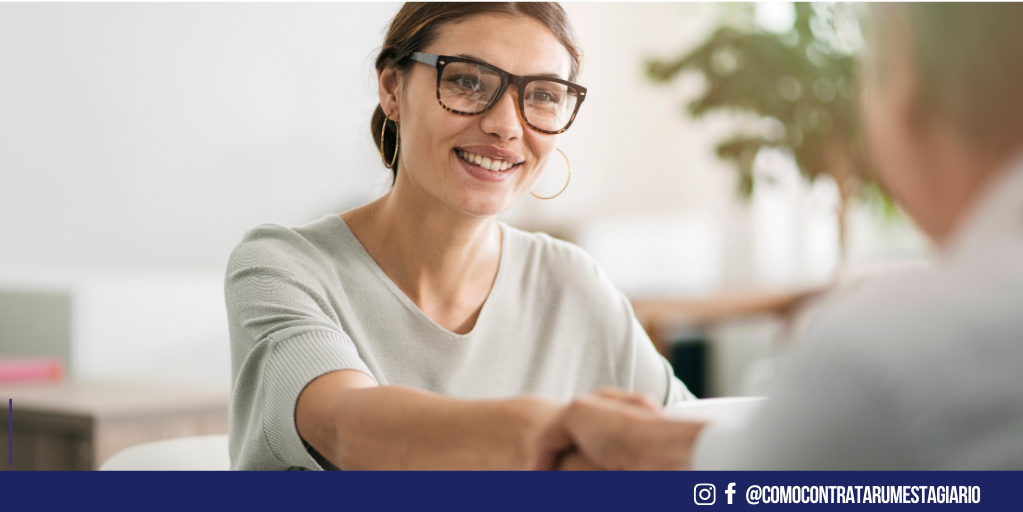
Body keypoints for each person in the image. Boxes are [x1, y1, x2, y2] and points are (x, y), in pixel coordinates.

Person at [531, 2, 1023, 470]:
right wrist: (646, 445)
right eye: (469, 82)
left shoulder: (883, 359)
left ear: (907, 89)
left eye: (544, 94)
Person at [225, 2, 694, 471]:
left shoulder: (571, 281)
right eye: (468, 82)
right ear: (392, 88)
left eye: (544, 96)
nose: (506, 126)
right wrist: (545, 435)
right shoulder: (280, 267)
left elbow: (695, 443)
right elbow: (345, 429)